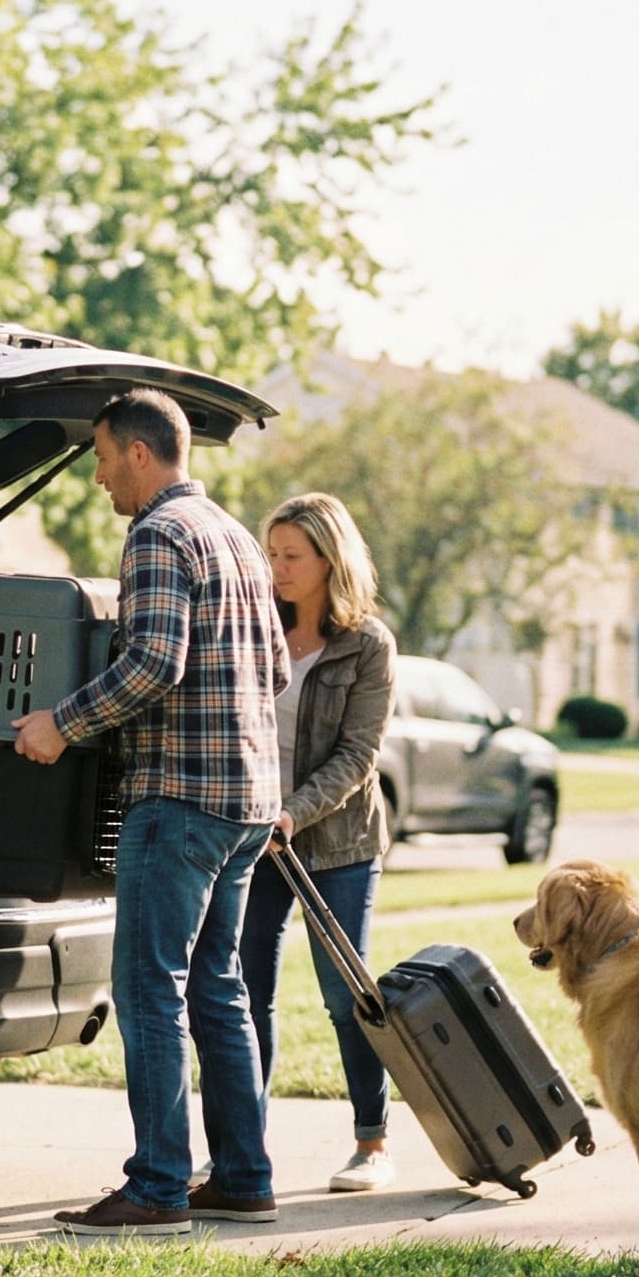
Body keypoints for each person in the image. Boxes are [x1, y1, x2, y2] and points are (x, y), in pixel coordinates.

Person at [13, 388, 289, 1236]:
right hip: (245, 803)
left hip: (177, 803)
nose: (96, 477)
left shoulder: (159, 534)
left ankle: (159, 1187)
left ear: (139, 453)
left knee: (148, 991)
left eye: (99, 456)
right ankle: (243, 1178)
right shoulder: (237, 538)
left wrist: (59, 723)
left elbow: (153, 666)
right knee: (218, 987)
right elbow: (275, 669)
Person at [220, 492, 401, 1192]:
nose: (277, 568)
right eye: (271, 554)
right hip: (256, 838)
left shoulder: (367, 644)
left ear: (330, 559)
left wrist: (292, 813)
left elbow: (359, 757)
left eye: (291, 556)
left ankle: (372, 1143)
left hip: (338, 844)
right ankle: (243, 1147)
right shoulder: (255, 626)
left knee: (344, 993)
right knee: (244, 991)